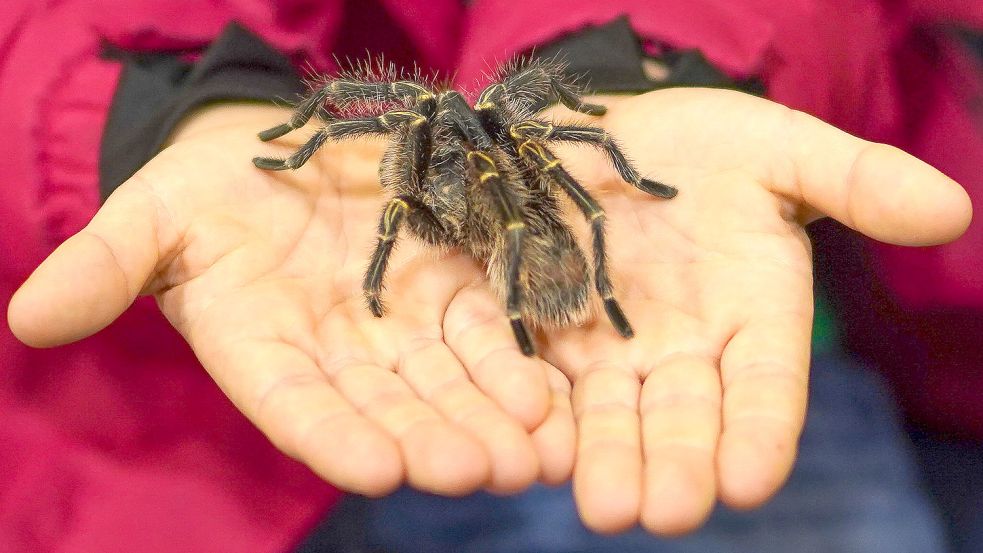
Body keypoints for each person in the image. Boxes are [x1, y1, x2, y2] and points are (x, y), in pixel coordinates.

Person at [1, 1, 978, 551]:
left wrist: (630, 72)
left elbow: (552, 148)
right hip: (132, 459)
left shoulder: (502, 150)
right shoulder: (410, 172)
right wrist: (184, 106)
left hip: (597, 351)